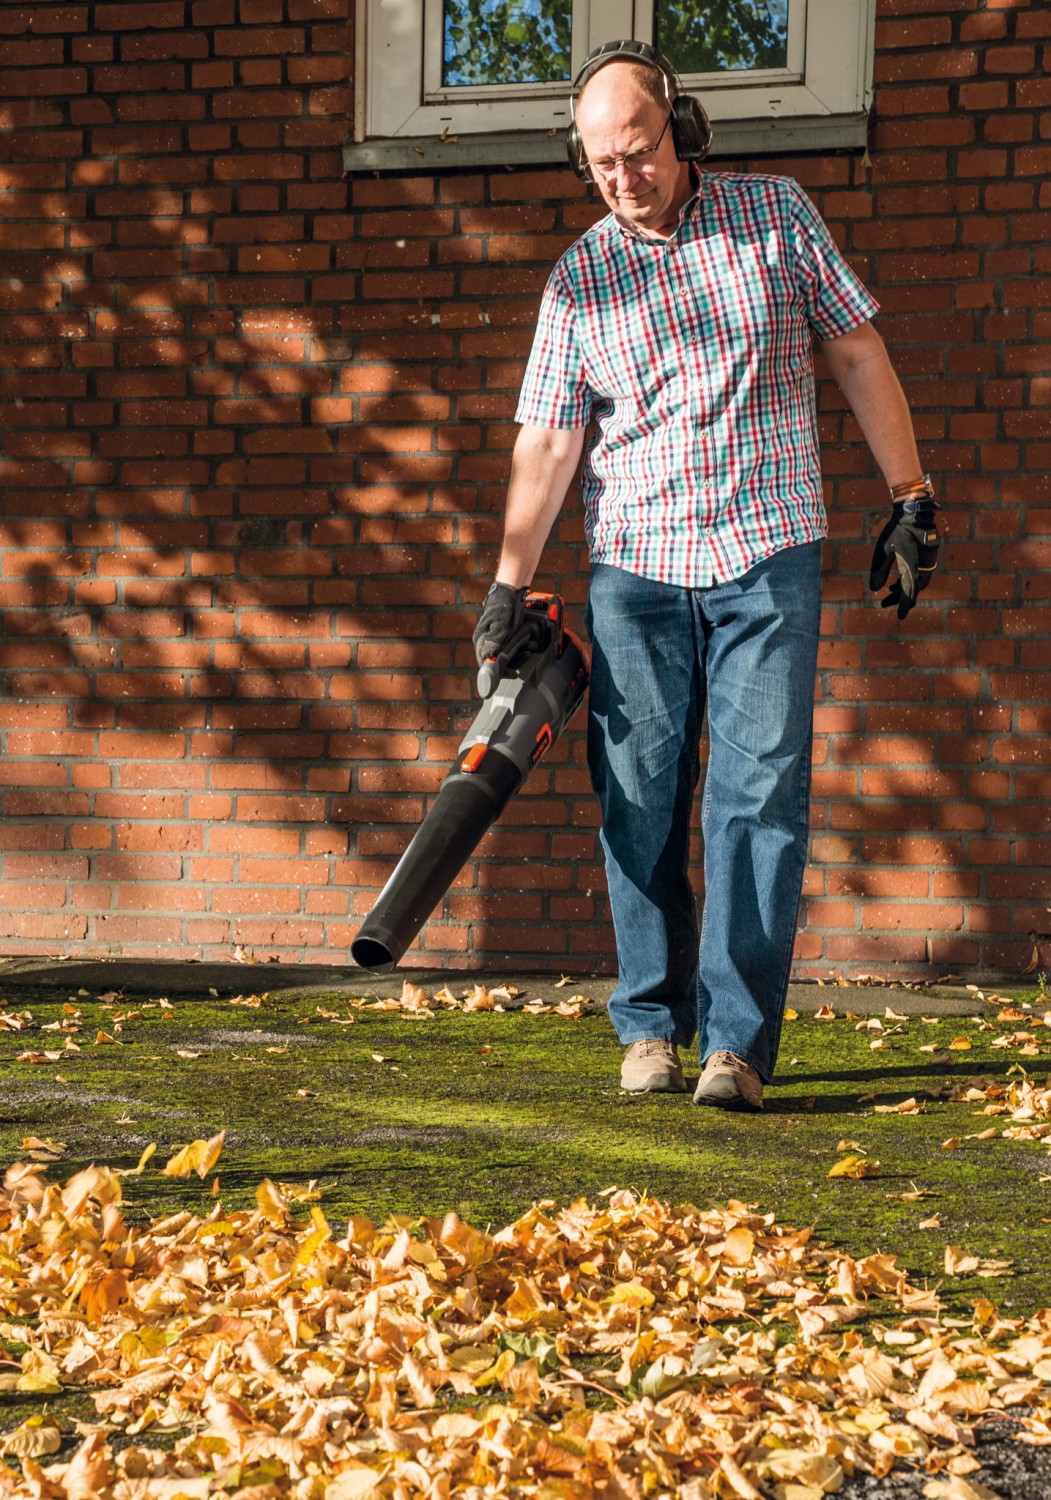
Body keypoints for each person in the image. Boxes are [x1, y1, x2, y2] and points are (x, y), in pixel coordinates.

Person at [473, 40, 940, 1113]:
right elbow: (545, 443)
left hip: (765, 551)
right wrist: (509, 582)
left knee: (757, 798)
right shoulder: (580, 275)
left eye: (638, 152)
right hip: (635, 569)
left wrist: (911, 494)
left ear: (679, 131)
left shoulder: (775, 217)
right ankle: (649, 1023)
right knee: (636, 800)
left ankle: (736, 1044)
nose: (624, 179)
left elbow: (858, 352)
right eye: (601, 165)